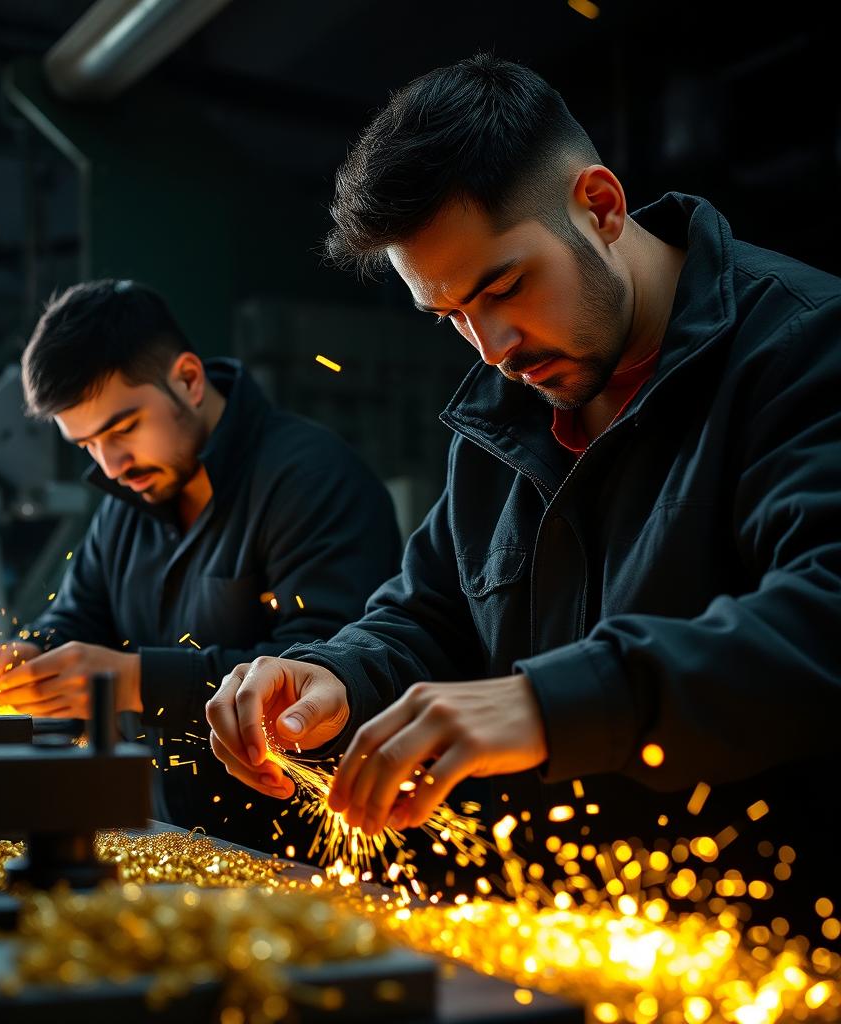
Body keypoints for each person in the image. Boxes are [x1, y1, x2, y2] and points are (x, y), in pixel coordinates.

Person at [206, 55, 841, 939]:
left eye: (504, 285)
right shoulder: (508, 411)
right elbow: (431, 612)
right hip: (572, 938)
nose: (492, 344)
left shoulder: (806, 349)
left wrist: (549, 702)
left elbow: (823, 619)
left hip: (778, 946)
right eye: (452, 314)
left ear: (601, 205)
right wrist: (337, 673)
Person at [0, 279, 401, 848]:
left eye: (123, 429)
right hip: (167, 838)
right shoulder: (128, 502)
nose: (111, 466)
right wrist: (38, 655)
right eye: (87, 446)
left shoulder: (313, 480)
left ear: (187, 378)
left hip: (299, 851)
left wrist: (136, 681)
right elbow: (78, 619)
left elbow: (324, 671)